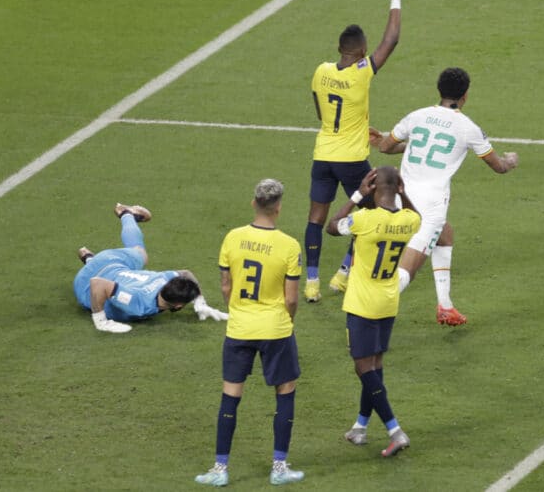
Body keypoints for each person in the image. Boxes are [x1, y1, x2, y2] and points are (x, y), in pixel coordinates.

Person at [376, 67, 517, 326]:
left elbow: (385, 146)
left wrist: (416, 143)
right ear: (464, 96)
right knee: (407, 272)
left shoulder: (417, 116)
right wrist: (510, 160)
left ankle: (445, 305)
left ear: (439, 91)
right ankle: (366, 317)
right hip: (430, 207)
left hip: (401, 197)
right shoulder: (468, 128)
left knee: (446, 235)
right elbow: (498, 166)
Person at [196, 179, 304, 487]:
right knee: (285, 392)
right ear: (279, 207)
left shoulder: (232, 238)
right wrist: (287, 319)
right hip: (276, 328)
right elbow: (292, 298)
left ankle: (219, 469)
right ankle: (279, 467)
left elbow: (226, 286)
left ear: (253, 203)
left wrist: (241, 309)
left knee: (230, 396)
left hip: (240, 327)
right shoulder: (289, 245)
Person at [305, 0, 402, 303]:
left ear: (339, 48)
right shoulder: (362, 73)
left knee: (315, 219)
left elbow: (321, 112)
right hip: (351, 159)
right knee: (371, 212)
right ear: (362, 52)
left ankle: (312, 283)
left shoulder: (321, 71)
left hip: (323, 154)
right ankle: (343, 273)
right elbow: (391, 41)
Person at [326, 166, 420, 458]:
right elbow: (417, 216)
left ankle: (394, 430)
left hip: (363, 303)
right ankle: (360, 427)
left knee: (363, 367)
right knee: (375, 366)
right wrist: (404, 194)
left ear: (374, 187)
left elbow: (332, 225)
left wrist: (357, 195)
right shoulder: (408, 220)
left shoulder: (364, 219)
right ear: (399, 187)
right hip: (388, 300)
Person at [73, 203, 226, 333]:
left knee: (140, 254)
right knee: (139, 254)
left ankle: (91, 260)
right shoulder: (138, 304)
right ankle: (126, 213)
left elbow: (186, 273)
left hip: (110, 261)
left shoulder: (164, 279)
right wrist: (101, 321)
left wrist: (200, 301)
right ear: (179, 305)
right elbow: (98, 284)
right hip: (85, 284)